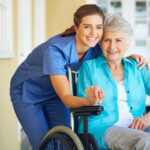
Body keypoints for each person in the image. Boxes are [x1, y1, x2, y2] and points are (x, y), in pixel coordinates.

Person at [10, 4, 148, 150]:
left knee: (65, 142)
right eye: (87, 26)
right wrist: (88, 101)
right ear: (76, 28)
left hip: (56, 92)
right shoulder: (55, 51)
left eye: (98, 27)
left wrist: (131, 57)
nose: (94, 32)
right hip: (29, 93)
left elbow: (114, 51)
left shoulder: (94, 46)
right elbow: (66, 97)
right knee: (45, 144)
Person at [77, 14, 150, 150]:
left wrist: (147, 118)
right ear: (100, 43)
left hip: (136, 128)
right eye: (107, 40)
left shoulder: (138, 67)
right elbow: (83, 101)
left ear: (127, 44)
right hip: (102, 128)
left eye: (118, 40)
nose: (112, 46)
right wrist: (91, 97)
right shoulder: (90, 67)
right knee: (146, 142)